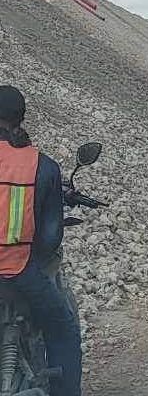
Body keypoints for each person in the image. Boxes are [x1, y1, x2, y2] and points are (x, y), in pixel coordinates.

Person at [0, 86, 81, 396]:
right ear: (20, 120)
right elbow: (49, 239)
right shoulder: (41, 165)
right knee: (63, 329)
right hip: (18, 271)